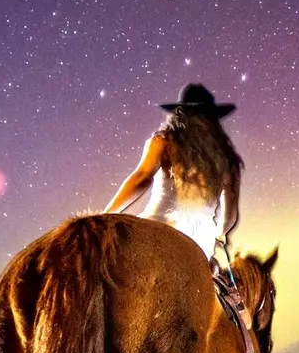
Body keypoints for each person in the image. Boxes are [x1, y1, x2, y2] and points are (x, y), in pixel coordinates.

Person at [102, 83, 243, 262]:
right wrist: (220, 235)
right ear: (213, 119)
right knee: (214, 282)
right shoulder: (228, 161)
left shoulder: (164, 142)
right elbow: (229, 216)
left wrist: (107, 214)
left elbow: (141, 178)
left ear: (180, 114)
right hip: (199, 242)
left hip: (157, 228)